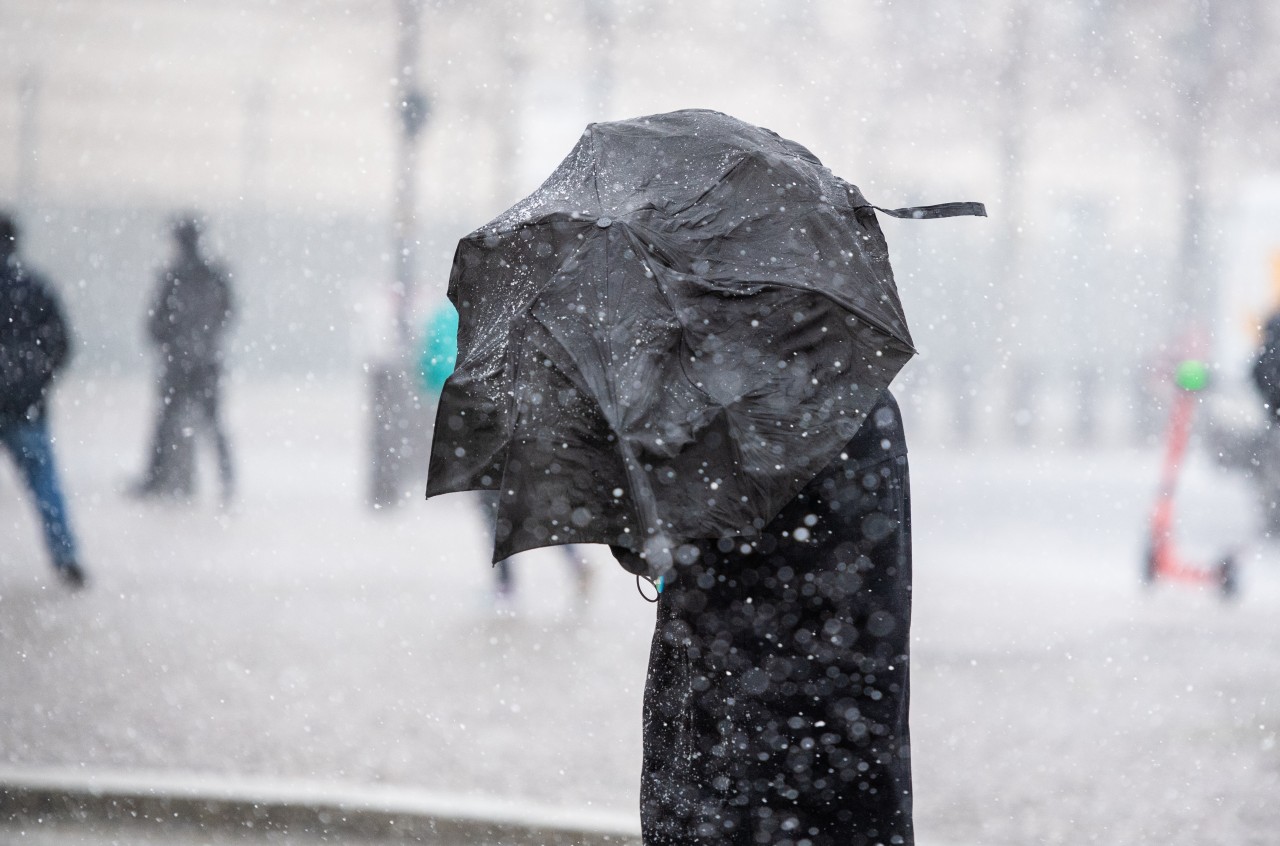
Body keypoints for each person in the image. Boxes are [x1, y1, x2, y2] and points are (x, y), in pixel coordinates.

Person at [622, 390, 912, 846]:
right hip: (843, 710)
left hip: (729, 711)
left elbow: (646, 540)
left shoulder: (704, 402)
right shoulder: (859, 396)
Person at [420, 300, 592, 609]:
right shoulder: (508, 313)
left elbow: (431, 370)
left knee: (494, 508)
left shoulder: (456, 319)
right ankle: (568, 561)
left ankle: (505, 584)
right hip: (511, 428)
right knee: (526, 504)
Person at [0, 212, 86, 587]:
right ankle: (65, 558)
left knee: (45, 481)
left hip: (21, 399)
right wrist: (37, 381)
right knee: (45, 484)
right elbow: (61, 344)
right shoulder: (35, 287)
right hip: (26, 406)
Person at [131, 215, 235, 503]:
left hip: (178, 362)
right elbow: (227, 313)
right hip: (207, 361)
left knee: (165, 423)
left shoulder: (173, 277)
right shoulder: (215, 275)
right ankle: (227, 481)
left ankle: (155, 479)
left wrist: (172, 340)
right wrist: (206, 338)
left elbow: (154, 324)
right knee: (213, 424)